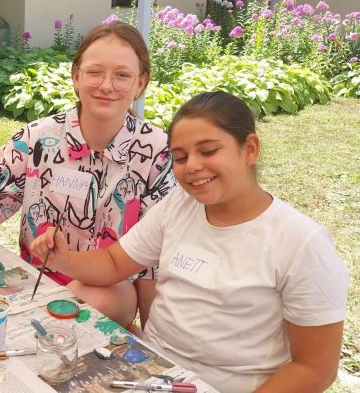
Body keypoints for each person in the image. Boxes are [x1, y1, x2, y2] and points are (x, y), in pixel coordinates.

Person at [30, 91, 349, 392]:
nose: (193, 166)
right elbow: (114, 262)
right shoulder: (179, 206)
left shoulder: (301, 243)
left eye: (208, 151)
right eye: (180, 157)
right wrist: (64, 259)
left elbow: (315, 368)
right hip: (149, 371)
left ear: (250, 149)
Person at [0, 21, 175, 330]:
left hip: (108, 290)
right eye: (95, 72)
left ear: (141, 84)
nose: (106, 85)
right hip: (36, 281)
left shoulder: (157, 152)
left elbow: (155, 263)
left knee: (97, 301)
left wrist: (151, 340)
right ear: (76, 77)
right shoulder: (39, 137)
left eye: (122, 75)